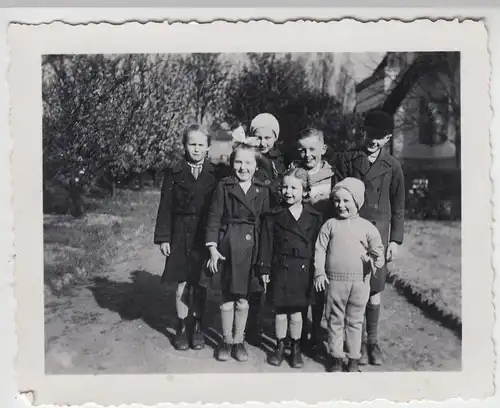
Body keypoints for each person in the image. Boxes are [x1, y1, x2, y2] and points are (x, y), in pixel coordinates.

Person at [335, 109, 405, 366]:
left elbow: (398, 205)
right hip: (352, 231)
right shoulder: (349, 158)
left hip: (378, 235)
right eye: (371, 134)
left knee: (374, 288)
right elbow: (339, 195)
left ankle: (372, 342)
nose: (374, 141)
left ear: (388, 138)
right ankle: (355, 342)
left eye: (381, 137)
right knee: (353, 287)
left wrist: (395, 241)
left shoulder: (393, 166)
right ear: (363, 131)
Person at [153, 123, 218, 351]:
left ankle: (197, 326)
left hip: (204, 233)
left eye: (201, 145)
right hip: (180, 232)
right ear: (184, 145)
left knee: (200, 283)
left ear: (208, 147)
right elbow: (165, 206)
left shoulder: (215, 173)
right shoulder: (174, 173)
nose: (197, 149)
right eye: (192, 144)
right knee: (181, 282)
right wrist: (164, 237)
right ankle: (181, 327)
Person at [204, 143, 270, 362]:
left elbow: (264, 226)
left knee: (243, 299)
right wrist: (212, 248)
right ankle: (226, 340)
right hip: (227, 247)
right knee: (227, 297)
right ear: (232, 163)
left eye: (248, 162)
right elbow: (214, 218)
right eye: (239, 162)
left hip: (251, 249)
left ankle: (239, 340)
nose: (243, 167)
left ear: (256, 165)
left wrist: (263, 259)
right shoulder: (224, 186)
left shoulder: (262, 190)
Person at [314, 177, 385, 372]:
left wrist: (375, 259)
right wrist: (320, 273)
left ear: (358, 201)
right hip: (335, 282)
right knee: (335, 320)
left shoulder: (367, 227)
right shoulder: (330, 225)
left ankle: (354, 357)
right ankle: (336, 357)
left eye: (347, 201)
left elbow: (378, 251)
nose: (341, 205)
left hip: (360, 282)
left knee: (355, 320)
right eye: (337, 200)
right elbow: (320, 249)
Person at [257, 167, 323, 368]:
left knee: (297, 312)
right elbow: (266, 244)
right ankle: (279, 345)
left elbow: (317, 247)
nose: (288, 192)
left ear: (304, 191)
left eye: (294, 188)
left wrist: (317, 271)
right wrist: (264, 269)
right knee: (280, 311)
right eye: (285, 187)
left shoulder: (314, 217)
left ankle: (295, 348)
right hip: (280, 267)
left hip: (303, 270)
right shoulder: (273, 215)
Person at [289, 128, 335, 354]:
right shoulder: (294, 172)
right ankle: (297, 331)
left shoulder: (332, 175)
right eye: (302, 150)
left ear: (323, 150)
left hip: (323, 238)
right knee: (299, 283)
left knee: (319, 285)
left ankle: (315, 329)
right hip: (300, 238)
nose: (307, 154)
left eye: (312, 149)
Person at [245, 113, 287, 345]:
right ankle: (252, 325)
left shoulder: (281, 161)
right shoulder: (249, 157)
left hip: (276, 220)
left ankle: (275, 325)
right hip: (256, 219)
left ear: (275, 137)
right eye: (258, 137)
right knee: (255, 273)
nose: (263, 142)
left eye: (268, 137)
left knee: (275, 271)